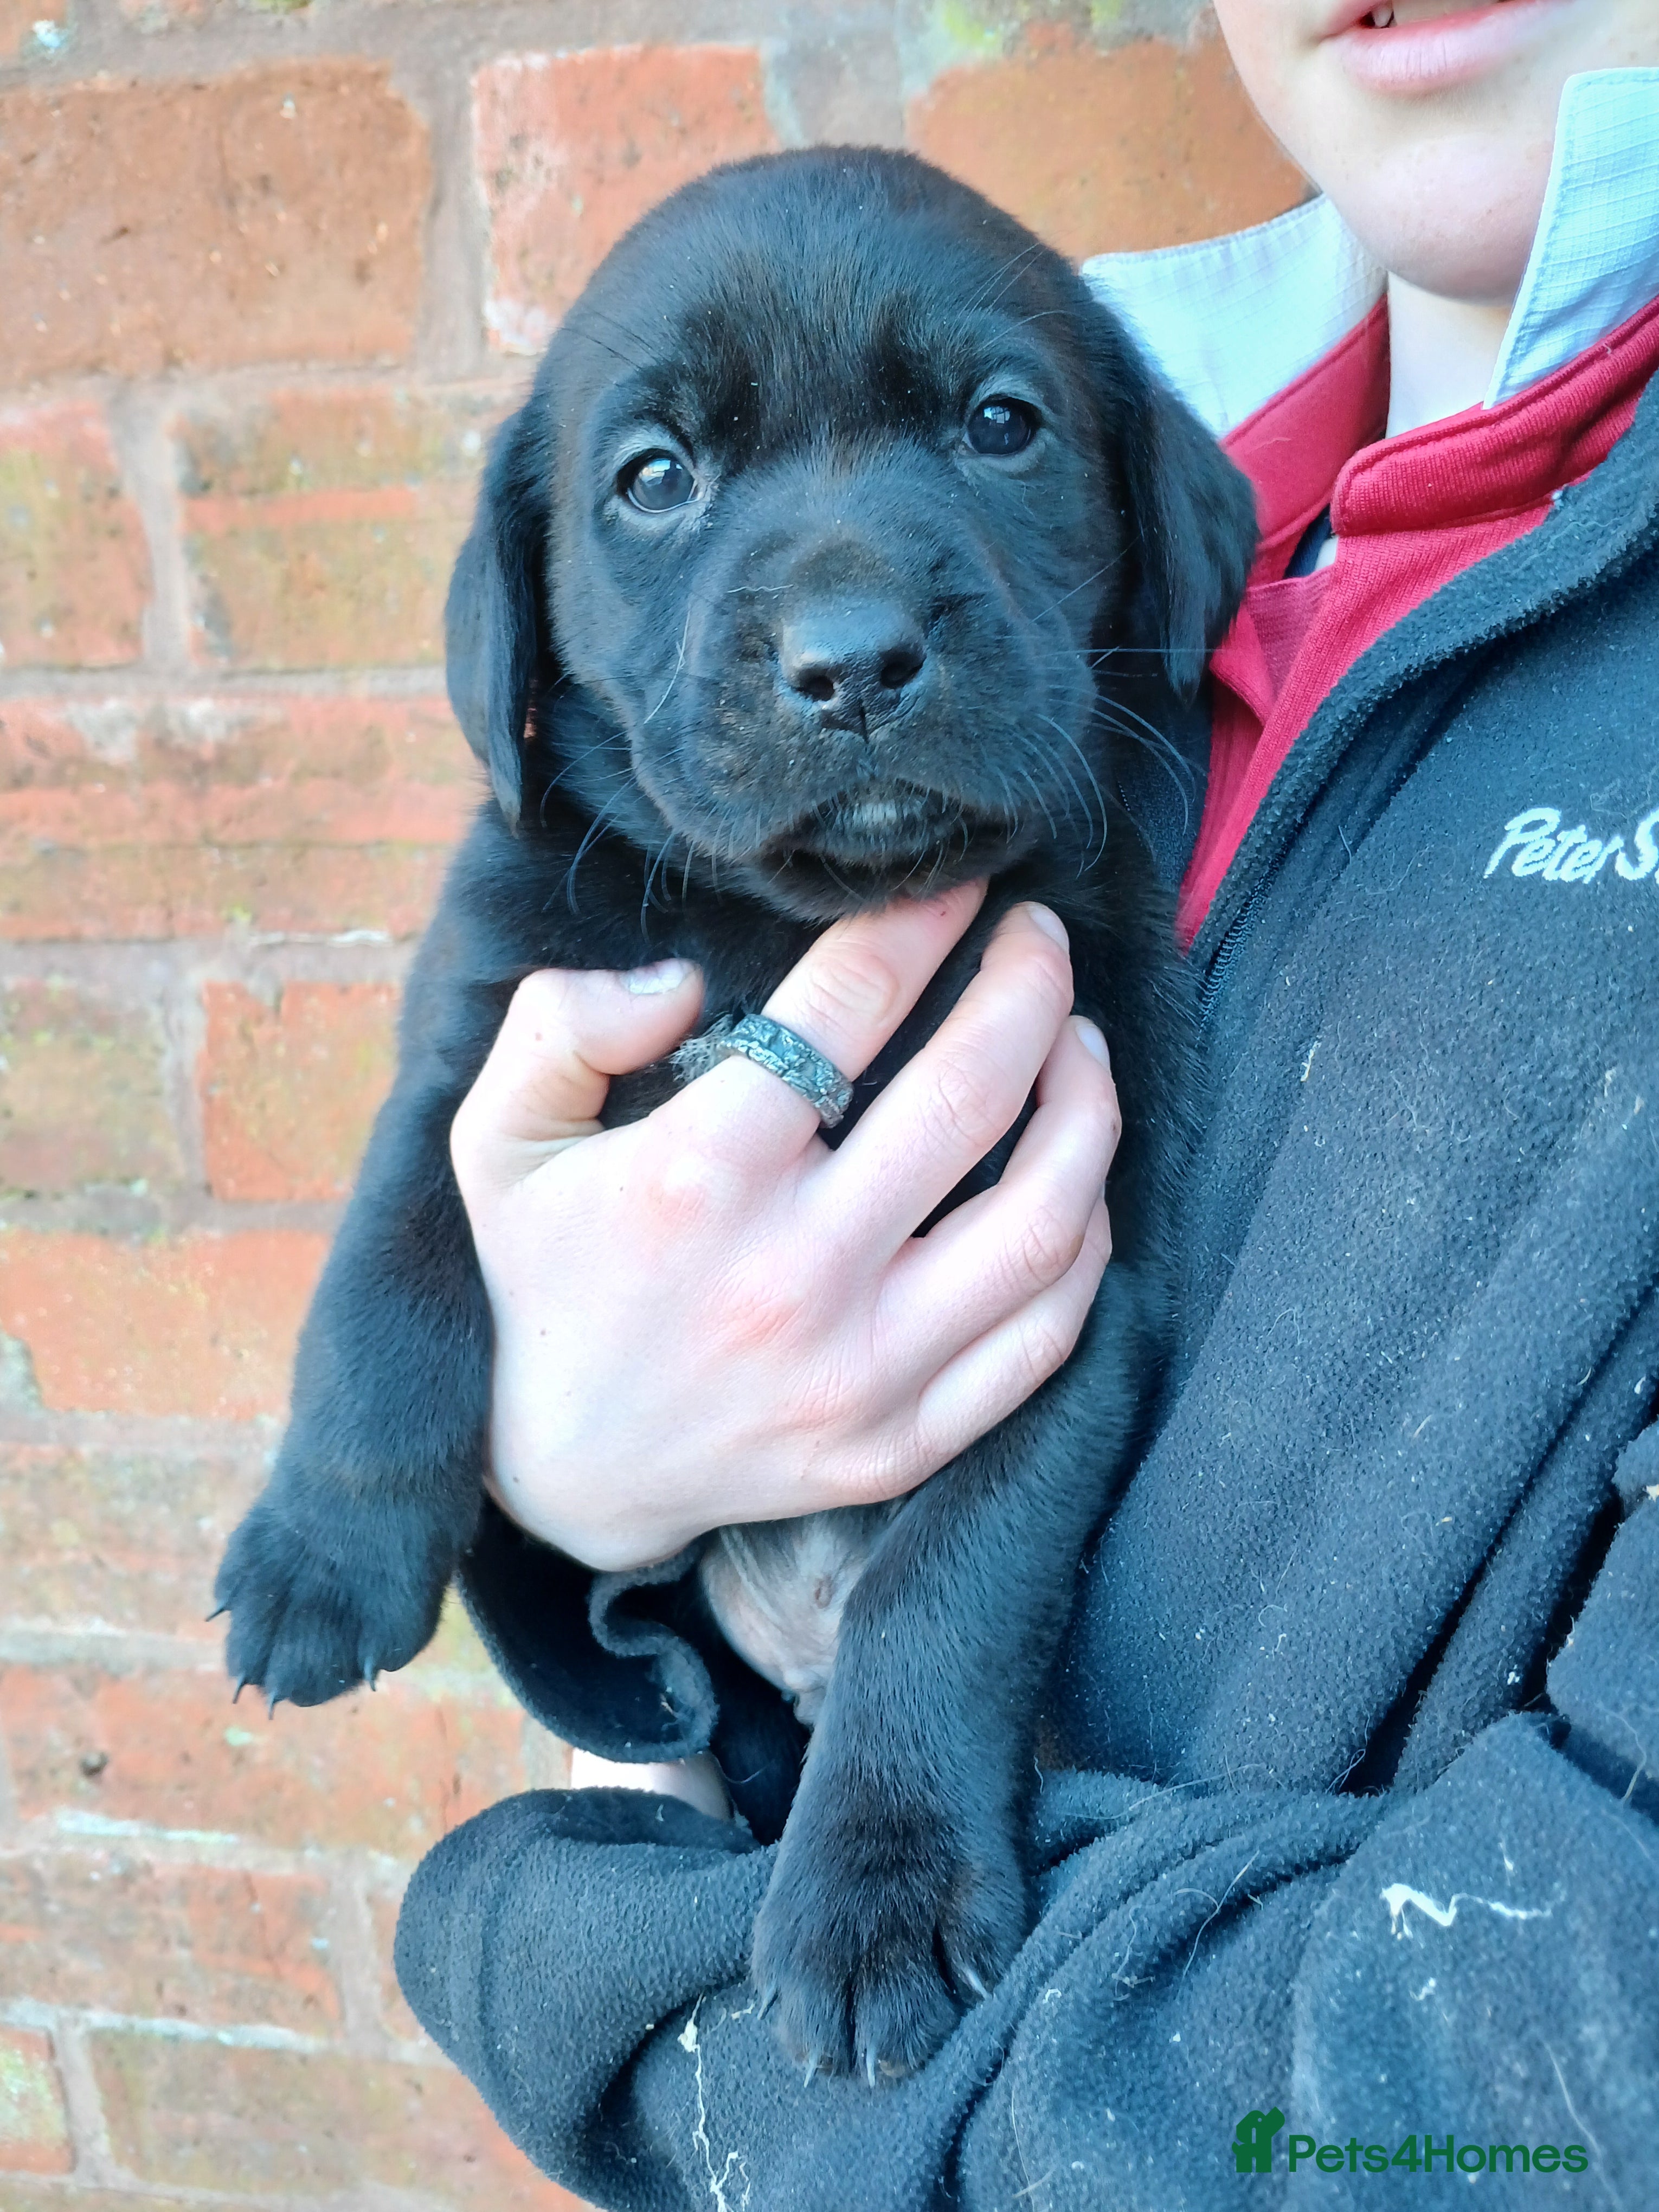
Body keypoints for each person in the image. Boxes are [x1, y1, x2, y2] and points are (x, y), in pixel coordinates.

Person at [395, 4, 1659, 2203]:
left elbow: (1560, 2059)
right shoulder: (1124, 456)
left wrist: (625, 2013)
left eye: (988, 430)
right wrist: (567, 1478)